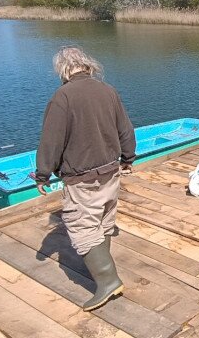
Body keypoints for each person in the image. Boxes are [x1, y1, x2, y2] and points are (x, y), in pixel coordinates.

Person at [34, 46, 136, 312]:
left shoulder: (63, 97)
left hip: (82, 178)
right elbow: (125, 128)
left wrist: (43, 174)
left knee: (82, 228)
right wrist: (128, 157)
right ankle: (103, 270)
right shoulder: (108, 90)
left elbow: (51, 141)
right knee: (103, 221)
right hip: (111, 171)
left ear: (63, 69)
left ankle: (108, 281)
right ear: (88, 65)